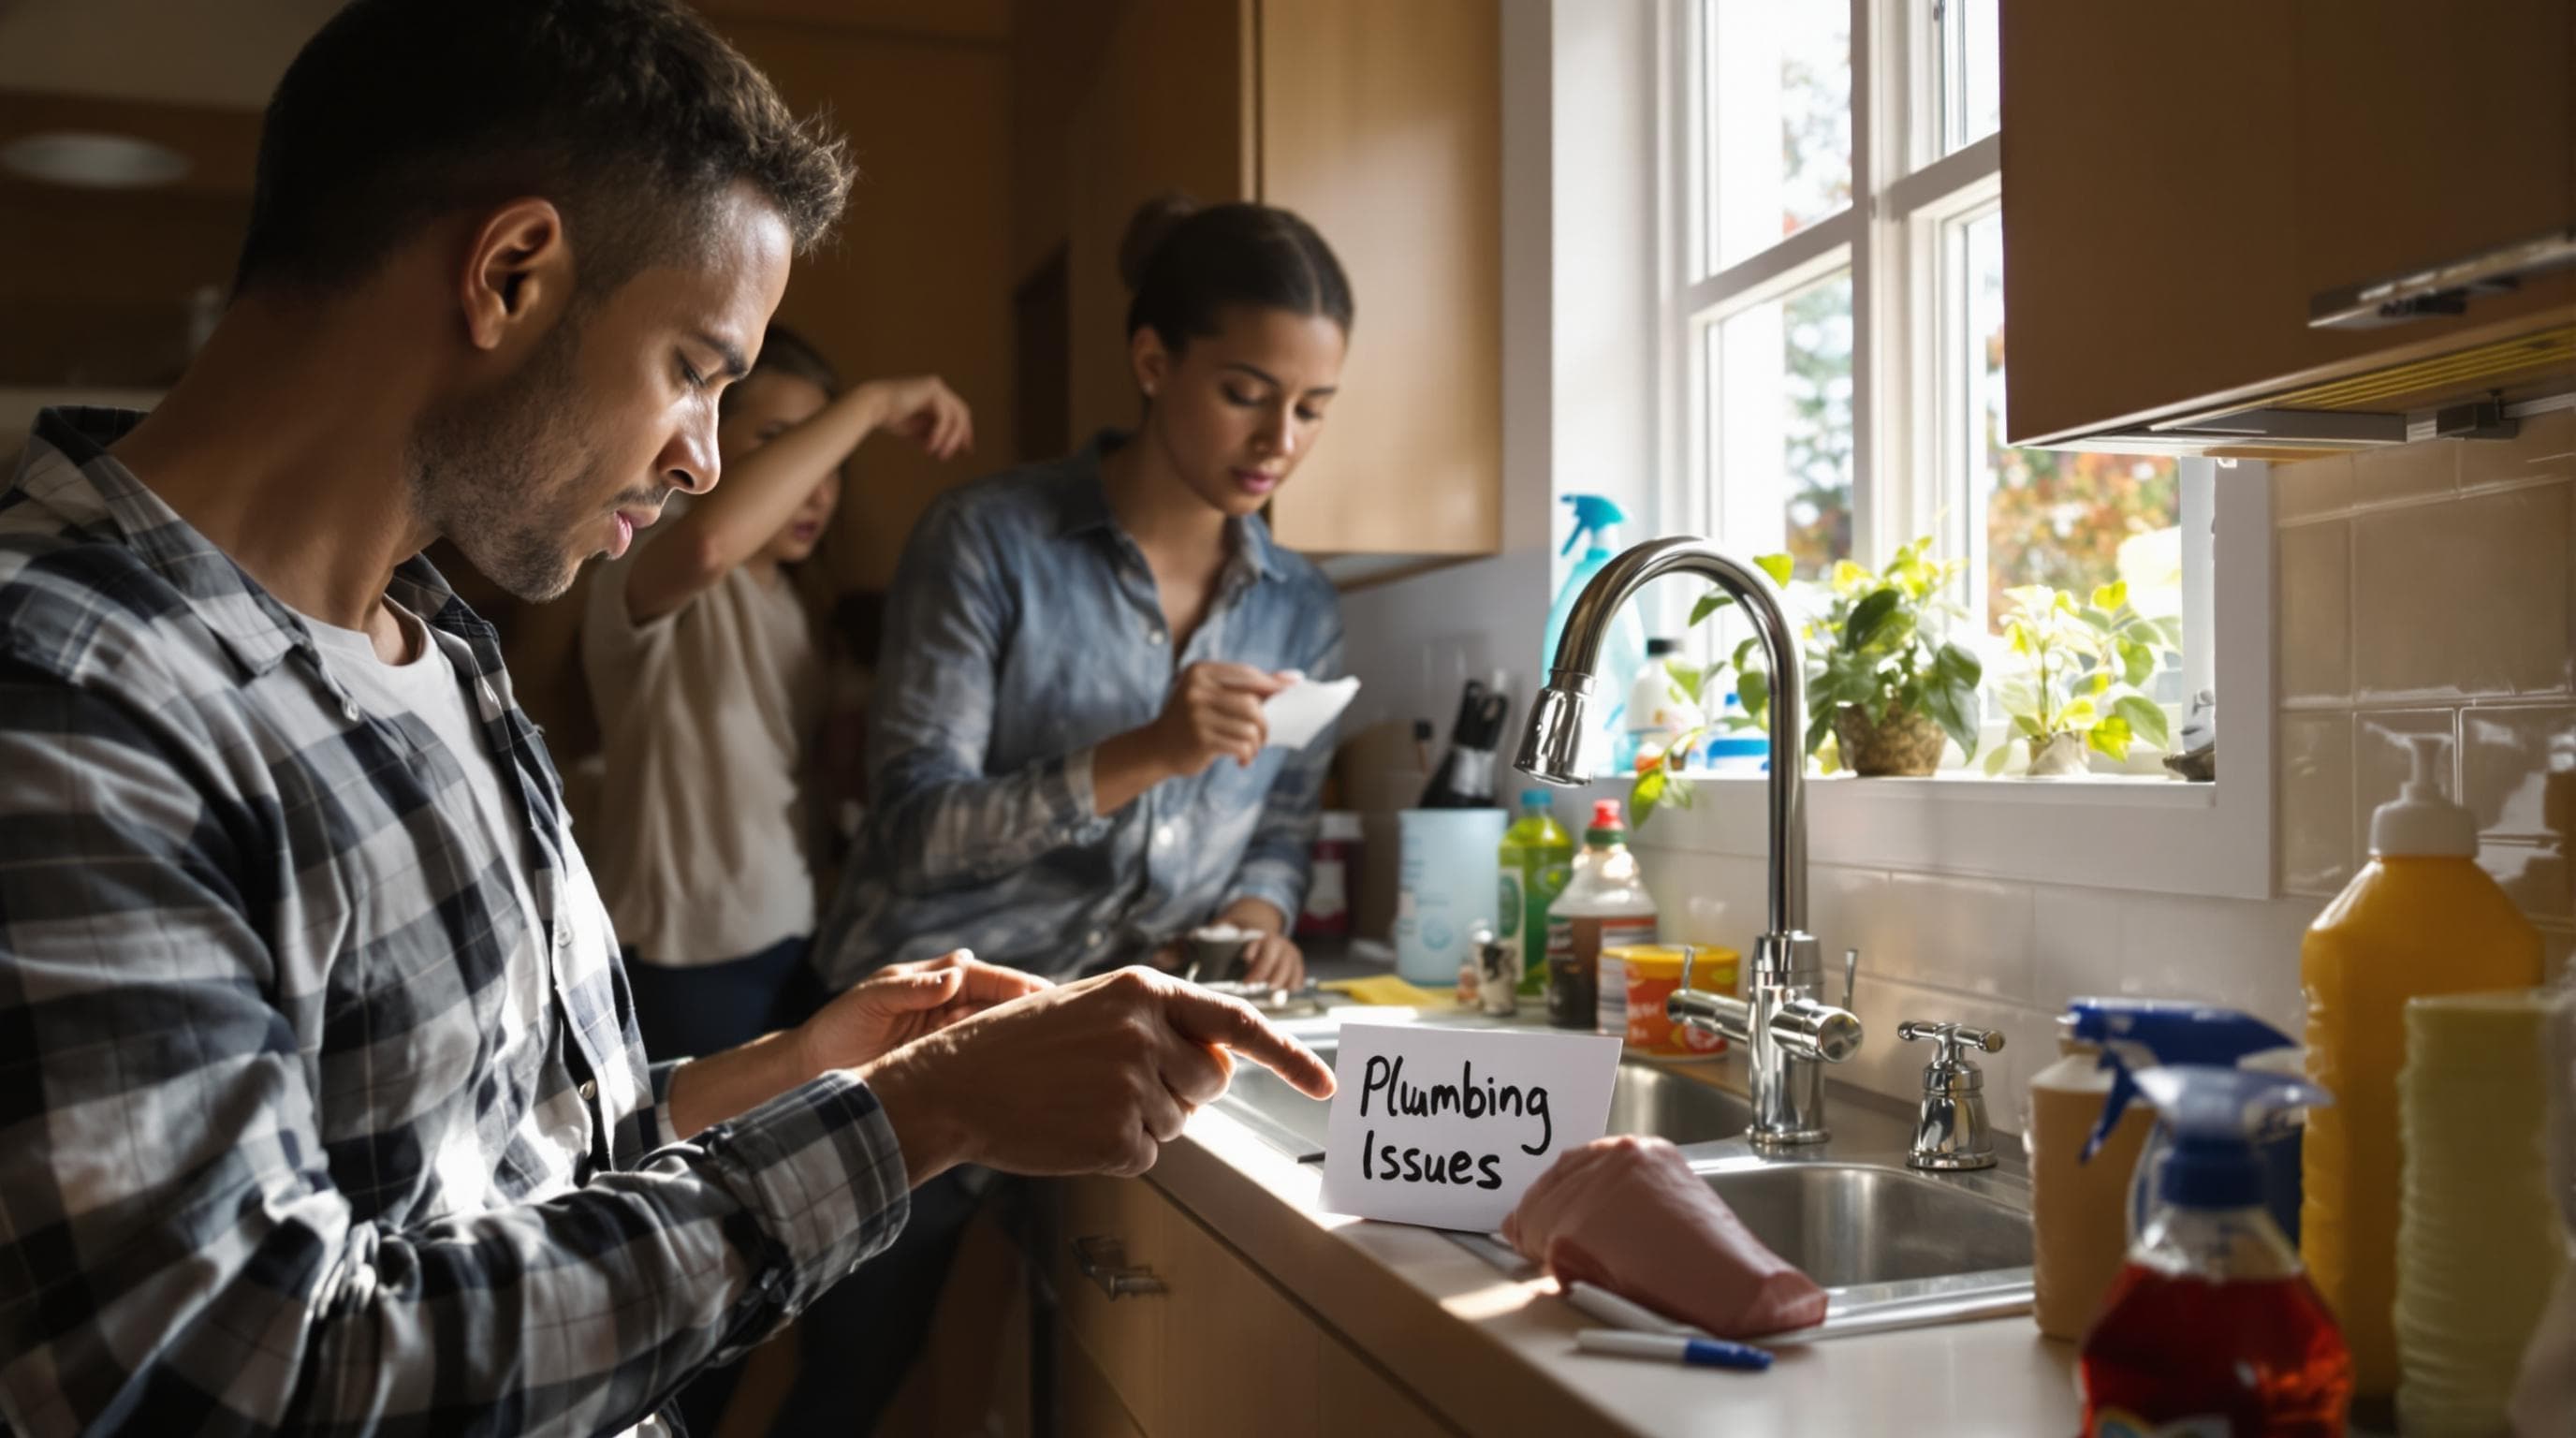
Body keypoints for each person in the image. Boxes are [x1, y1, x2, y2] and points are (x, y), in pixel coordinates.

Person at [0, 6, 1332, 1437]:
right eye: (697, 369)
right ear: (511, 274)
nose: (704, 458)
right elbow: (234, 1378)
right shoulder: (71, 691)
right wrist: (915, 1124)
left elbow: (519, 1162)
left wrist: (820, 1069)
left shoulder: (436, 643)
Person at [813, 195, 1354, 1003]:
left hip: (1124, 1025)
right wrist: (1148, 752)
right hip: (928, 1016)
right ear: (1152, 362)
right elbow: (912, 836)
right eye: (1246, 394)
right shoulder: (985, 541)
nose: (1281, 440)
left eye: (1312, 409)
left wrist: (1253, 922)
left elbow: (1281, 828)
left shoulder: (1301, 608)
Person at [582, 328, 971, 1065]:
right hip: (685, 956)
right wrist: (873, 403)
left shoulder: (802, 609)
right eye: (785, 442)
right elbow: (708, 546)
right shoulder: (644, 563)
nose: (818, 486)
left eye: (832, 459)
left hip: (802, 934)